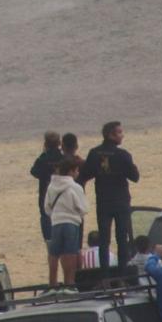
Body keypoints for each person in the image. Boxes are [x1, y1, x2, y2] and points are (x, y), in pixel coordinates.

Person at [79, 121, 141, 269]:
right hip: (121, 201)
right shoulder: (123, 154)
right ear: (111, 135)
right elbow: (135, 177)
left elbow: (84, 176)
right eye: (119, 132)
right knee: (122, 238)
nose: (122, 135)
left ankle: (104, 275)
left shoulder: (94, 153)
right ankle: (122, 273)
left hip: (103, 201)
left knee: (104, 240)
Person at [45, 156, 88, 288]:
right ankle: (69, 283)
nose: (78, 173)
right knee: (70, 253)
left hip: (56, 222)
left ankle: (52, 283)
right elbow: (84, 209)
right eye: (76, 170)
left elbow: (47, 207)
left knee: (53, 254)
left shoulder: (51, 186)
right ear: (71, 171)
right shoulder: (75, 187)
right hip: (71, 223)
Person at [30, 132, 64, 243]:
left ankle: (49, 241)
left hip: (45, 190)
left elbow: (34, 171)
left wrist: (44, 176)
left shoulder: (43, 158)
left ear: (45, 143)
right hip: (62, 191)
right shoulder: (62, 157)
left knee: (45, 216)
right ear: (59, 143)